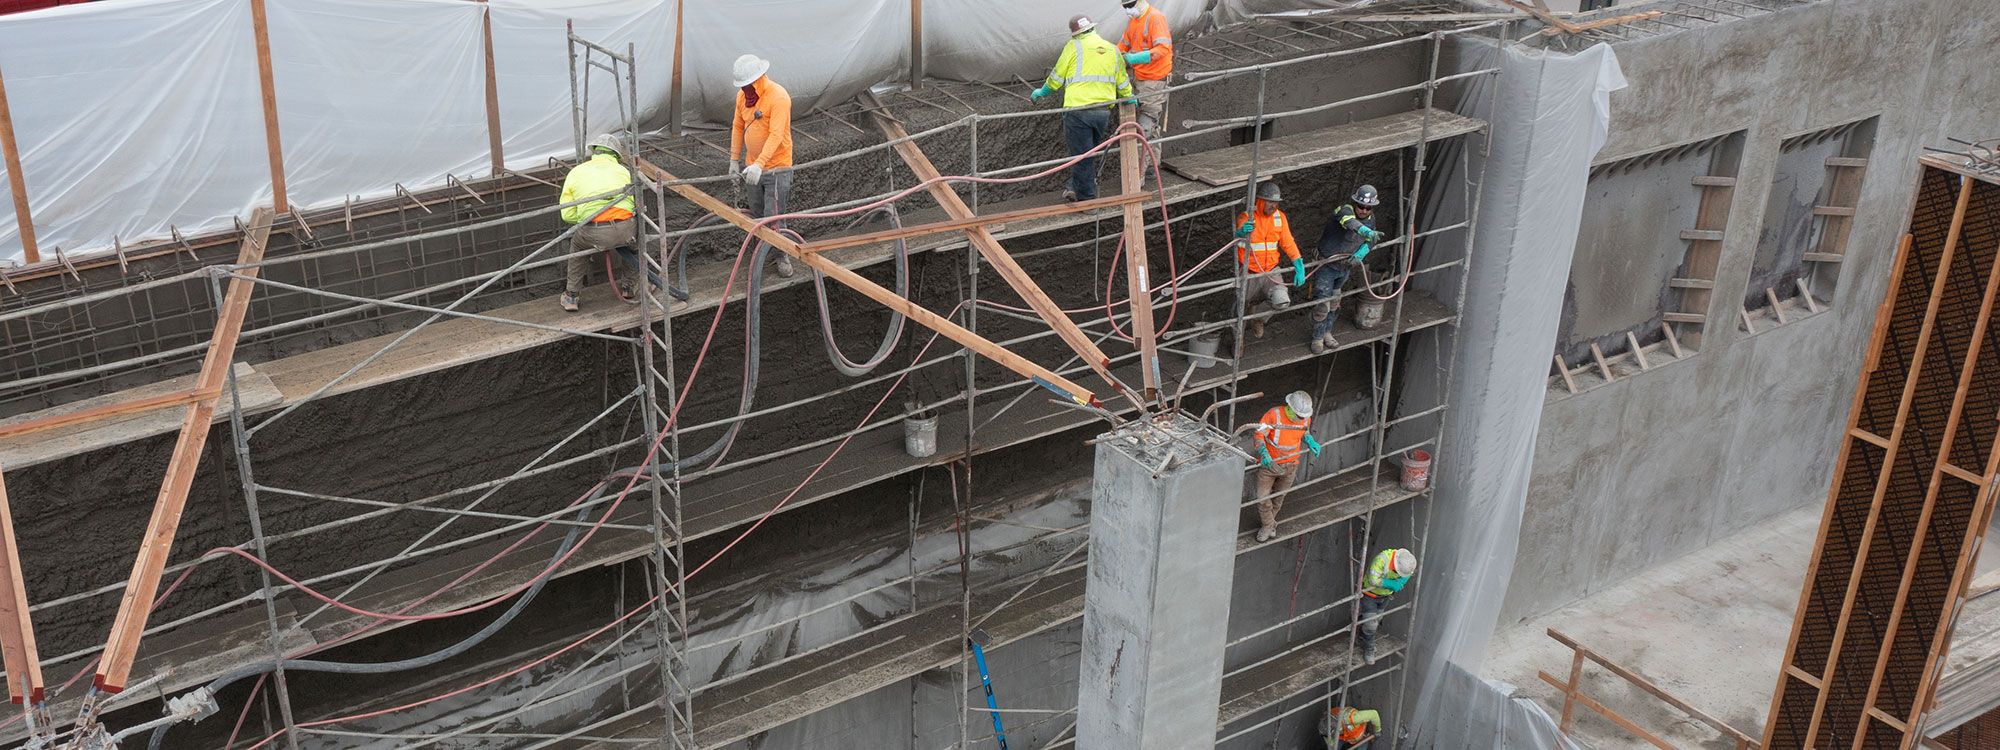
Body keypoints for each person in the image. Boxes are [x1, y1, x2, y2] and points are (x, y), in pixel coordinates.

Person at [1032, 14, 1134, 204]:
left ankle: (1088, 202)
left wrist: (1041, 92)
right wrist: (1130, 98)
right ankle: (1073, 187)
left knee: (1081, 156)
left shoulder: (1074, 47)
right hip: (1102, 112)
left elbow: (1056, 79)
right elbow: (1122, 82)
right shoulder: (1112, 50)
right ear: (1093, 29)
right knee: (1088, 153)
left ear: (1075, 34)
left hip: (1078, 112)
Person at [730, 53, 796, 278]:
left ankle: (780, 254)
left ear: (758, 79)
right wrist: (734, 160)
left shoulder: (778, 97)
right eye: (743, 86)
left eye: (748, 85)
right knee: (758, 214)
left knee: (774, 215)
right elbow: (738, 126)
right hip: (752, 168)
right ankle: (762, 251)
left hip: (777, 168)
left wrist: (760, 164)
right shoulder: (743, 97)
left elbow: (776, 135)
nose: (745, 89)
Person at [557, 133, 638, 312]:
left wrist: (588, 218)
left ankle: (571, 297)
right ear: (616, 155)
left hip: (594, 232)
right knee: (634, 246)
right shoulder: (624, 171)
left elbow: (567, 214)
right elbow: (635, 202)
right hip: (626, 228)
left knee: (578, 248)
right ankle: (629, 287)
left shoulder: (576, 172)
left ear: (594, 152)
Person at [1309, 184, 1385, 353]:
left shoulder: (1371, 219)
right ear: (1355, 202)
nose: (1364, 211)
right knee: (1323, 304)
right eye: (1361, 206)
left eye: (1368, 208)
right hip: (1326, 265)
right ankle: (1317, 337)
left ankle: (1327, 332)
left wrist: (1361, 253)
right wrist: (1366, 231)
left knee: (1335, 302)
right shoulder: (1343, 211)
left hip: (1344, 267)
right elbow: (1349, 223)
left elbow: (1370, 240)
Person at [1233, 181, 1305, 339]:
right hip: (1249, 271)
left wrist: (1298, 264)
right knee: (1239, 309)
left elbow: (1288, 243)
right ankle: (1238, 342)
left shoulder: (1280, 217)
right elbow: (1234, 243)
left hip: (1271, 270)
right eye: (1270, 201)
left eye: (1276, 202)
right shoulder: (1246, 218)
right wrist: (1240, 233)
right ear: (1259, 201)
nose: (1273, 206)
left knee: (1282, 301)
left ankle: (1258, 317)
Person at [1247, 390, 1321, 542]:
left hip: (1291, 465)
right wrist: (1263, 452)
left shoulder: (1305, 418)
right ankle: (1269, 525)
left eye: (1304, 417)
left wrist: (1310, 441)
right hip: (1269, 465)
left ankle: (1267, 526)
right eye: (1299, 416)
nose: (1302, 419)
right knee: (1262, 498)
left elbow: (1304, 432)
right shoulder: (1274, 415)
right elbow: (1259, 435)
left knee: (1278, 498)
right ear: (1290, 408)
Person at [1115, 0, 1172, 138]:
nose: (1128, 10)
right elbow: (1123, 45)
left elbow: (1162, 49)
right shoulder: (1133, 21)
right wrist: (1112, 56)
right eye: (1125, 7)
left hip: (1154, 79)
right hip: (1138, 77)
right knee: (1140, 127)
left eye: (1130, 6)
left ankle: (1147, 160)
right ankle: (1144, 159)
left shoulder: (1155, 18)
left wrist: (1133, 58)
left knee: (1147, 128)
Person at [1357, 547, 1416, 664]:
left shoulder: (1406, 561)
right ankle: (1369, 648)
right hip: (1370, 595)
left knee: (1376, 620)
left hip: (1384, 597)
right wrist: (1391, 584)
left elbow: (1409, 573)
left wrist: (1400, 582)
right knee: (1371, 625)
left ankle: (1362, 634)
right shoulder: (1381, 560)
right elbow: (1373, 580)